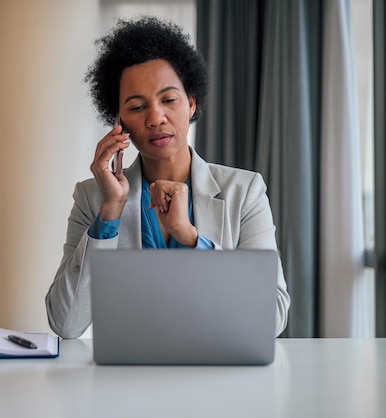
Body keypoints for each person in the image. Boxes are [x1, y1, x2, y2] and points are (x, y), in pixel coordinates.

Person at [45, 16, 290, 339]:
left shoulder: (244, 192)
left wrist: (189, 237)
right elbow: (66, 324)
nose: (155, 117)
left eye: (169, 100)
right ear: (118, 121)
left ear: (190, 103)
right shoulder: (93, 198)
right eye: (136, 107)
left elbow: (270, 318)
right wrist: (110, 213)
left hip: (219, 378)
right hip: (129, 380)